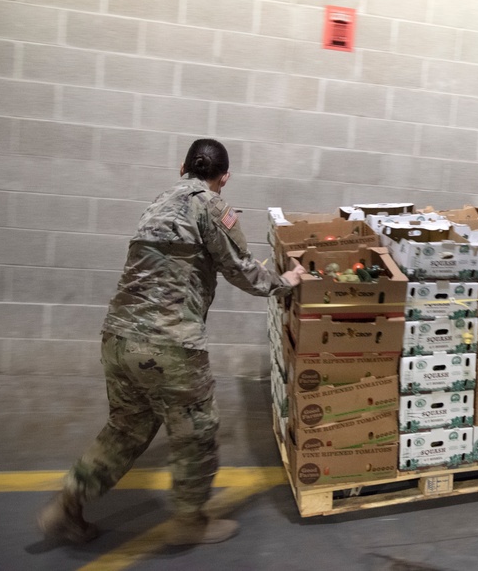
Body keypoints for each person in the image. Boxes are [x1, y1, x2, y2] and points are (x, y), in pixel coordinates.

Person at [37, 139, 304, 545]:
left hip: (119, 337)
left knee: (127, 427)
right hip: (169, 343)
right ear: (224, 177)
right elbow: (242, 271)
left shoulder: (159, 202)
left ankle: (68, 504)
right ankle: (189, 523)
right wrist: (286, 282)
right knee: (197, 432)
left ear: (182, 167)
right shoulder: (211, 206)